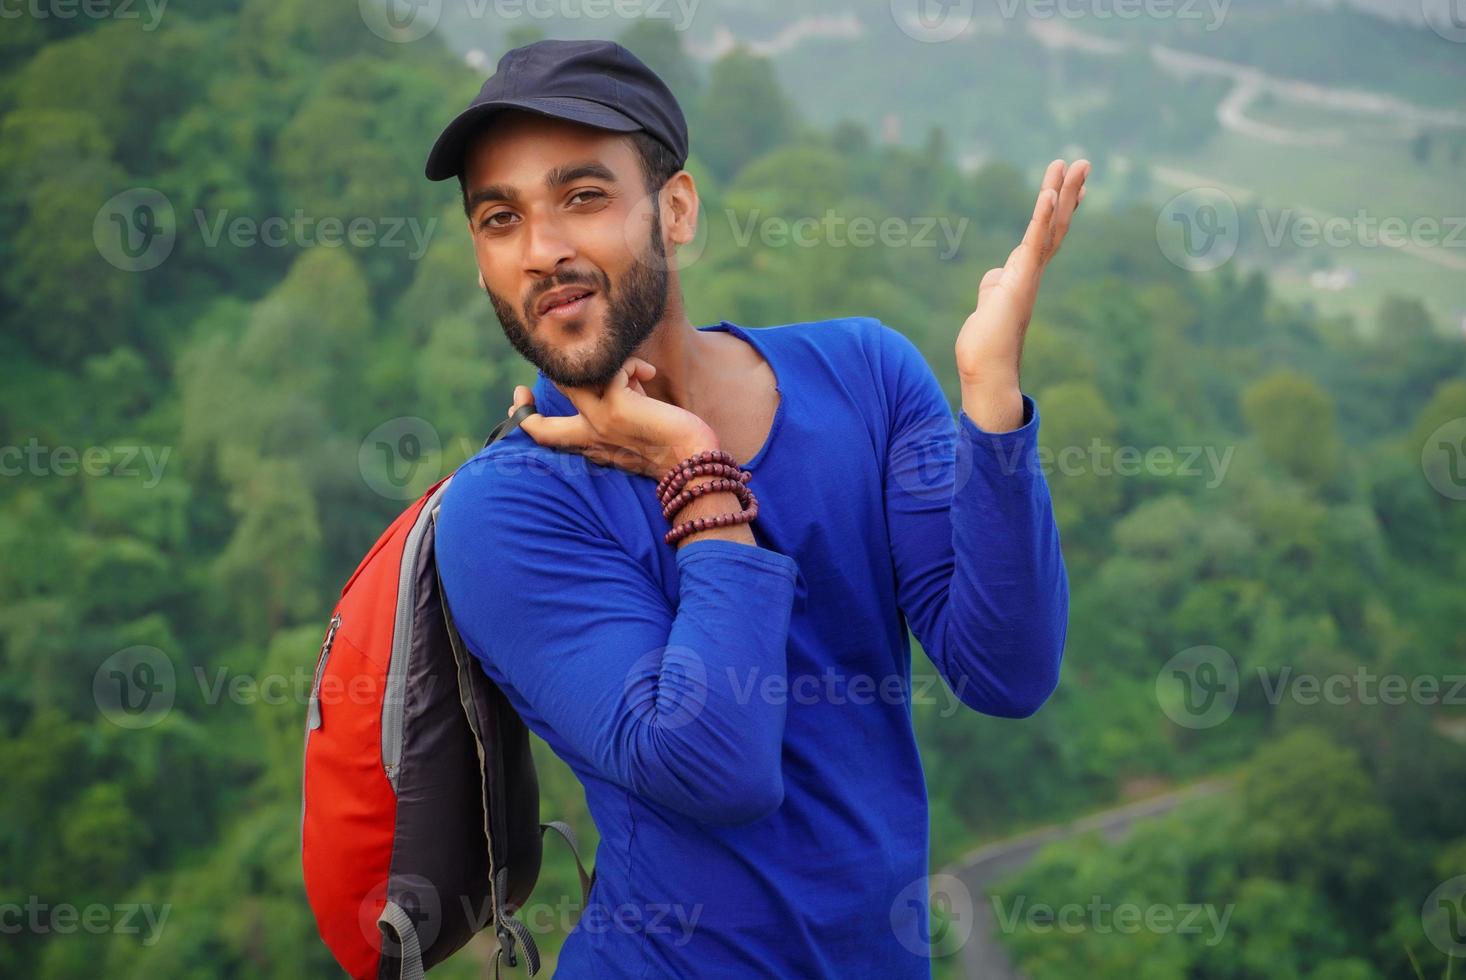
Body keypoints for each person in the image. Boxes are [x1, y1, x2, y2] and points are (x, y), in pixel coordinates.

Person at [429, 38, 1081, 978]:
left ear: (677, 209)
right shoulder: (508, 510)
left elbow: (1006, 671)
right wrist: (693, 464)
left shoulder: (864, 375)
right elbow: (716, 768)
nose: (544, 249)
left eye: (584, 196)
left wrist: (989, 396)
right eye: (500, 218)